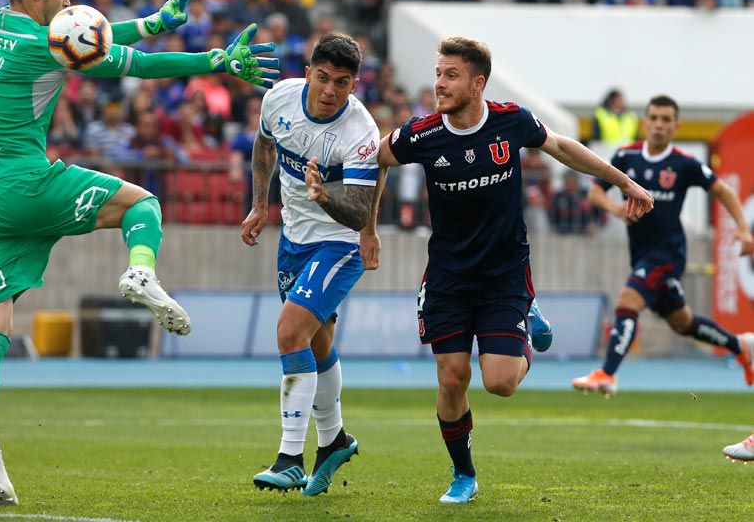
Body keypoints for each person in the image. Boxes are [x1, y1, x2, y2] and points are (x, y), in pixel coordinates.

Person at [0, 0, 279, 506]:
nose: (69, 0)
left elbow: (84, 34)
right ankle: (141, 271)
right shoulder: (45, 47)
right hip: (22, 183)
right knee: (142, 204)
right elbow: (136, 66)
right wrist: (217, 60)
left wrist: (153, 22)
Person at [370, 36, 653, 504]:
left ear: (477, 83)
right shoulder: (420, 134)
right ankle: (464, 474)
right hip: (448, 276)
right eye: (438, 73)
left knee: (499, 383)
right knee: (452, 377)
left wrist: (624, 182)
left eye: (451, 75)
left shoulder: (511, 121)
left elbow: (562, 146)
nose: (439, 83)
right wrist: (368, 228)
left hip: (503, 272)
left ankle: (525, 318)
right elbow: (374, 161)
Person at [241, 33, 379, 496]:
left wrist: (326, 196)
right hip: (294, 241)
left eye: (342, 83)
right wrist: (261, 205)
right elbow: (263, 148)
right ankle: (335, 440)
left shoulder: (360, 133)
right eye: (323, 78)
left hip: (338, 245)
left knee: (287, 331)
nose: (329, 91)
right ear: (308, 71)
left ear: (354, 84)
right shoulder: (278, 99)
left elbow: (360, 213)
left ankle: (289, 458)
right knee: (316, 347)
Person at [572, 95, 754, 396]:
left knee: (627, 302)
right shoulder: (626, 157)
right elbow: (594, 194)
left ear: (675, 126)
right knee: (682, 323)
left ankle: (607, 373)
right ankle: (741, 345)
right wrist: (614, 208)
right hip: (641, 254)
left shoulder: (684, 164)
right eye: (654, 118)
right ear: (645, 122)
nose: (659, 125)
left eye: (665, 120)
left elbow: (723, 191)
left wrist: (744, 231)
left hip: (669, 254)